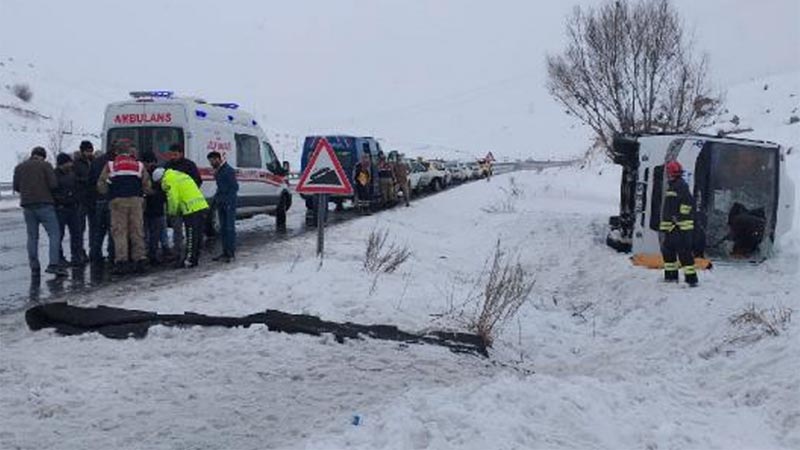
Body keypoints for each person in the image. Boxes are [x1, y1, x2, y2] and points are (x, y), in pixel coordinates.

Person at [97, 143, 151, 274]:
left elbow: (101, 185)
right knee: (137, 230)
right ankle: (140, 259)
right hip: (136, 201)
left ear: (116, 152)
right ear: (130, 152)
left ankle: (122, 262)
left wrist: (108, 192)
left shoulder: (111, 165)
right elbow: (146, 184)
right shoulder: (139, 165)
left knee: (120, 231)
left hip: (118, 201)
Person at [12, 147, 66, 276]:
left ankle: (34, 266)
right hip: (45, 204)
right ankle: (53, 264)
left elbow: (16, 187)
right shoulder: (45, 166)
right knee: (54, 234)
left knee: (32, 236)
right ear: (43, 156)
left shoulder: (19, 167)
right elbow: (53, 184)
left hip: (27, 205)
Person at [152, 167, 210, 268]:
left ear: (160, 179)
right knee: (197, 235)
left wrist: (172, 212)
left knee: (191, 236)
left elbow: (173, 198)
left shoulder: (168, 180)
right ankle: (194, 258)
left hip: (190, 209)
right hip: (201, 205)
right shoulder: (179, 174)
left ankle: (189, 260)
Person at [659, 160, 698, 287]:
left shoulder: (680, 186)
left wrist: (679, 217)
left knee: (684, 254)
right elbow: (670, 208)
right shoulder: (674, 186)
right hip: (672, 228)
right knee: (668, 252)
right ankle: (671, 277)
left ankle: (691, 279)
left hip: (680, 228)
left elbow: (689, 203)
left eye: (669, 173)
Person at [164, 143, 202, 263]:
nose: (173, 157)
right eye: (171, 154)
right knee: (177, 231)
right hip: (175, 204)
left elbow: (197, 181)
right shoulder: (168, 166)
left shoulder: (189, 165)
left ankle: (190, 255)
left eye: (175, 154)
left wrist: (187, 193)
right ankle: (177, 254)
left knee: (191, 230)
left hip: (188, 204)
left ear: (181, 153)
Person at [207, 151, 239, 262]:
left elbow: (234, 187)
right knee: (223, 228)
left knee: (229, 228)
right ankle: (225, 252)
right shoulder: (219, 171)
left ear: (218, 159)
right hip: (221, 202)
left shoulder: (228, 170)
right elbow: (220, 187)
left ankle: (230, 253)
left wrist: (228, 200)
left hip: (228, 203)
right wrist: (216, 199)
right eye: (210, 161)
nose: (211, 163)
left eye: (212, 161)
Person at [88, 143, 117, 263]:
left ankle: (95, 254)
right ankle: (112, 254)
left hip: (99, 199)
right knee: (113, 229)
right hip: (112, 199)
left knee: (99, 230)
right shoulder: (116, 163)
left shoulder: (97, 161)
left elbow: (91, 180)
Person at [53, 153, 83, 266]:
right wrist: (62, 199)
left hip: (73, 207)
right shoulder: (54, 175)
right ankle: (59, 258)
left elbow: (77, 188)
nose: (70, 164)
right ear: (62, 163)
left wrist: (75, 198)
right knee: (59, 235)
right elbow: (53, 190)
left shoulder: (71, 174)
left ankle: (76, 257)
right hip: (60, 208)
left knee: (76, 233)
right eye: (68, 162)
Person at [141, 152, 170, 264]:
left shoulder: (150, 173)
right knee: (156, 232)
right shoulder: (160, 172)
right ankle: (156, 252)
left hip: (151, 207)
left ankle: (152, 253)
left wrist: (150, 194)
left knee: (151, 232)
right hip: (156, 208)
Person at [72, 140, 94, 263]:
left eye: (91, 151)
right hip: (81, 198)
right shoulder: (76, 164)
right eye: (87, 151)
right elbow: (74, 179)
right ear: (82, 151)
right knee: (80, 228)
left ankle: (93, 250)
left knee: (94, 227)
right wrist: (86, 180)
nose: (89, 153)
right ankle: (79, 251)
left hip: (92, 198)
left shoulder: (93, 161)